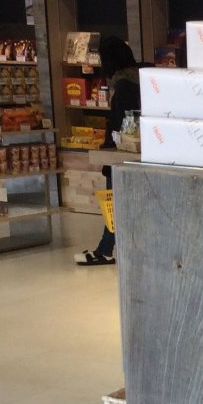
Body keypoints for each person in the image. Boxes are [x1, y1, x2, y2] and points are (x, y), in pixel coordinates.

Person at [75, 36, 142, 266]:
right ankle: (109, 248)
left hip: (121, 153)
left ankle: (105, 250)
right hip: (141, 152)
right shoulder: (142, 78)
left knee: (114, 205)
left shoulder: (123, 85)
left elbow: (118, 123)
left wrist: (107, 149)